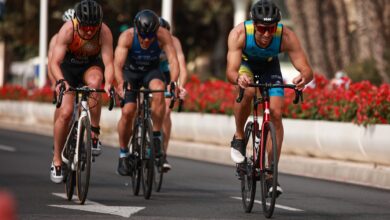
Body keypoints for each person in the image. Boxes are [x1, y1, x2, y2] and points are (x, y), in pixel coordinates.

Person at [226, 0, 313, 196]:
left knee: (275, 113)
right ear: (254, 24)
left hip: (269, 67)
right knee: (247, 92)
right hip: (245, 66)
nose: (267, 34)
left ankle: (271, 174)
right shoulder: (239, 34)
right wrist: (239, 78)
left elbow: (307, 69)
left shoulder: (286, 36)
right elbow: (230, 71)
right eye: (263, 28)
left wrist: (303, 77)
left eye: (271, 29)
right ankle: (239, 136)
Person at [49, 0, 115, 183]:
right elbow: (54, 62)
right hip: (68, 69)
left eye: (92, 27)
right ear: (78, 22)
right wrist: (61, 81)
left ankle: (94, 132)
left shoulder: (104, 32)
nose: (88, 31)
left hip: (89, 66)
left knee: (96, 83)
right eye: (85, 27)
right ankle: (56, 160)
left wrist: (109, 83)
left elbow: (109, 63)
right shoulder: (68, 30)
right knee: (66, 112)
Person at [114, 10, 179, 176]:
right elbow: (117, 65)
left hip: (151, 72)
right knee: (128, 111)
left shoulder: (163, 35)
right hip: (131, 73)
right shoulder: (127, 36)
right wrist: (121, 83)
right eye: (143, 36)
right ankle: (123, 154)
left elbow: (173, 60)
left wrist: (173, 83)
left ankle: (156, 135)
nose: (147, 40)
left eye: (151, 37)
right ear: (137, 30)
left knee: (159, 90)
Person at [159, 17, 188, 171]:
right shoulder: (146, 39)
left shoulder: (173, 41)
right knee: (137, 106)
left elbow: (182, 67)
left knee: (166, 112)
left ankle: (162, 152)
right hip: (148, 71)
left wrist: (180, 87)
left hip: (165, 73)